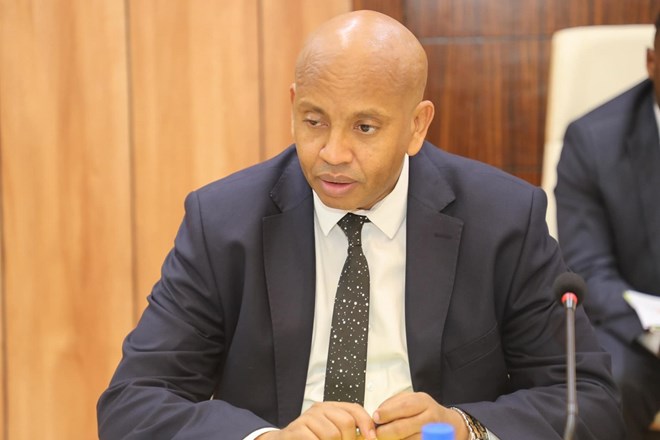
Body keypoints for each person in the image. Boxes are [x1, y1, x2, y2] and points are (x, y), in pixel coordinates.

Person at [98, 10, 624, 440]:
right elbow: (133, 402)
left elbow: (590, 401)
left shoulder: (502, 219)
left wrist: (465, 428)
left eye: (365, 127)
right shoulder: (223, 222)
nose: (333, 152)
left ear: (416, 126)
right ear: (293, 105)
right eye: (314, 121)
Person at [554, 12, 660, 440]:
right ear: (651, 61)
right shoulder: (593, 140)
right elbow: (589, 269)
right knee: (606, 388)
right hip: (637, 330)